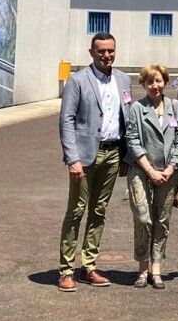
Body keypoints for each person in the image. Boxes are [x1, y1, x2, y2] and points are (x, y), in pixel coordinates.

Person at [56, 32, 133, 292]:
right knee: (76, 210)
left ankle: (89, 266)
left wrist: (125, 155)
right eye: (101, 51)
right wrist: (72, 158)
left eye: (110, 51)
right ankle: (67, 270)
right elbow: (66, 120)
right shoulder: (78, 80)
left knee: (99, 212)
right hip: (85, 156)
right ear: (91, 52)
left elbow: (127, 118)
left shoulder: (123, 80)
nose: (106, 55)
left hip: (112, 154)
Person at [123, 63, 178, 290]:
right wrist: (150, 170)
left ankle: (156, 268)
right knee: (143, 217)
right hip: (142, 171)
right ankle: (142, 268)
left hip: (168, 172)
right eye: (149, 82)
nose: (154, 86)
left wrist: (172, 168)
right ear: (143, 84)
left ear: (165, 82)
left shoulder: (175, 106)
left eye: (158, 81)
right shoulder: (137, 108)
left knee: (162, 220)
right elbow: (132, 140)